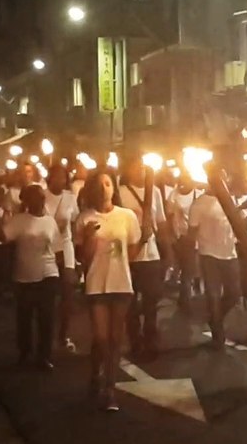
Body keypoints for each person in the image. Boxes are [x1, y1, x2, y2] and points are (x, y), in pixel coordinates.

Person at [76, 167, 143, 411]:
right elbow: (84, 259)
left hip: (121, 284)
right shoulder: (84, 218)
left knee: (116, 339)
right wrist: (90, 239)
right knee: (101, 338)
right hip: (96, 284)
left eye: (108, 183)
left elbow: (133, 251)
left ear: (114, 188)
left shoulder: (127, 216)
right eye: (100, 184)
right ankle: (96, 372)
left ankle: (110, 388)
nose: (104, 188)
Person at [0, 184, 64, 369]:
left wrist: (64, 271)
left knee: (46, 317)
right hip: (24, 277)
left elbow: (58, 249)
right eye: (36, 197)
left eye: (42, 197)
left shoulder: (50, 222)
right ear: (27, 201)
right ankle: (25, 352)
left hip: (48, 274)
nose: (41, 200)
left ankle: (44, 356)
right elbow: (3, 236)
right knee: (24, 317)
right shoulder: (19, 221)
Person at [119, 160, 170, 359]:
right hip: (129, 255)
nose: (139, 169)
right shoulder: (120, 191)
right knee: (131, 302)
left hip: (151, 255)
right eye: (135, 165)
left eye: (142, 167)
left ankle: (151, 339)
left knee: (151, 300)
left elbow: (161, 222)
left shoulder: (154, 191)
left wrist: (167, 251)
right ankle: (135, 340)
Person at [189, 178, 243, 348]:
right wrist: (192, 260)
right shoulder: (200, 203)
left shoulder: (229, 201)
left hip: (229, 254)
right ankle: (218, 336)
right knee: (213, 295)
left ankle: (215, 318)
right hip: (209, 255)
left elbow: (238, 226)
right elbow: (192, 232)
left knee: (234, 294)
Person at [45, 166, 81, 354]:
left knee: (68, 294)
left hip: (65, 248)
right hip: (47, 249)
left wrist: (76, 253)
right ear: (49, 178)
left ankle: (63, 335)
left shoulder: (70, 198)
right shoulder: (41, 196)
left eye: (63, 177)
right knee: (48, 295)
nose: (60, 180)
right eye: (56, 177)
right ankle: (47, 334)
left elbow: (74, 224)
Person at [168, 177, 203, 313]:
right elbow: (170, 216)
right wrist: (172, 236)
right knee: (185, 270)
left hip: (194, 238)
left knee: (189, 271)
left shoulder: (198, 195)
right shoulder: (174, 195)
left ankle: (186, 298)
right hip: (181, 238)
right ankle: (185, 299)